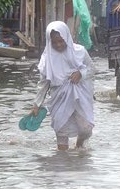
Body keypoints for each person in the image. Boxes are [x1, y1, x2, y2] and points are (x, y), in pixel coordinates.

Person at [31, 21, 95, 151]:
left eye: (61, 41)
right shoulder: (46, 59)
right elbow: (43, 84)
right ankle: (61, 166)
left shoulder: (80, 52)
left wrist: (80, 73)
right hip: (58, 99)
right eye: (54, 42)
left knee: (86, 129)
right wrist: (36, 105)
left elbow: (92, 69)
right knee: (61, 132)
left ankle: (79, 145)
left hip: (80, 97)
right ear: (49, 42)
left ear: (66, 37)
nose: (58, 45)